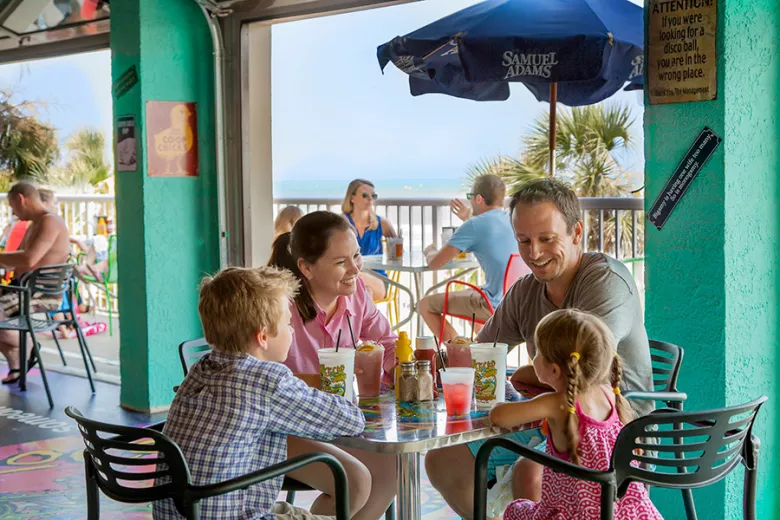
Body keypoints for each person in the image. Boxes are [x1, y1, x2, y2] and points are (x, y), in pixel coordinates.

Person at [425, 178, 654, 518]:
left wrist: (523, 372)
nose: (534, 253)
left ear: (576, 233)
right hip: (549, 421)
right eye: (524, 240)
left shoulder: (605, 281)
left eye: (547, 239)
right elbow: (483, 349)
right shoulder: (525, 291)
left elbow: (587, 371)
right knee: (442, 458)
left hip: (613, 431)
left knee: (531, 470)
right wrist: (448, 365)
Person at [153, 266, 366, 520]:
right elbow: (351, 420)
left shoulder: (202, 367)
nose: (292, 330)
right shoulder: (268, 381)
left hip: (181, 513)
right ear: (263, 336)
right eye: (288, 324)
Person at [268, 210, 397, 520]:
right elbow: (260, 378)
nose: (355, 269)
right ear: (306, 268)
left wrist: (410, 367)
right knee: (354, 483)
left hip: (338, 422)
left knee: (391, 466)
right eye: (341, 262)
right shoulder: (278, 309)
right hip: (282, 429)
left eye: (356, 256)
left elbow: (388, 343)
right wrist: (325, 381)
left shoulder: (357, 295)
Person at [491, 309, 662, 520]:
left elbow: (499, 417)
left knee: (515, 510)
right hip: (626, 513)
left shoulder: (558, 403)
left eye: (536, 353)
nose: (533, 358)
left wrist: (495, 402)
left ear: (554, 371)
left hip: (571, 514)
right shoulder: (611, 393)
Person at [417, 174, 516, 341]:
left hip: (493, 304)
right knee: (471, 297)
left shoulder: (474, 225)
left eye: (470, 197)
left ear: (478, 198)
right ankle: (483, 351)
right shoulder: (512, 219)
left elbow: (435, 263)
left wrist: (429, 251)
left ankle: (458, 352)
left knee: (424, 304)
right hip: (516, 301)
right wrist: (469, 218)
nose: (469, 202)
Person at [0, 182, 70, 384]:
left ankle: (28, 345)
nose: (14, 213)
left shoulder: (50, 221)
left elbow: (30, 259)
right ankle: (17, 362)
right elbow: (15, 260)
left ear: (21, 199)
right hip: (22, 291)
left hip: (40, 296)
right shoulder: (35, 224)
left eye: (13, 206)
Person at [341, 179, 397, 300]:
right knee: (365, 291)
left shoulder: (382, 223)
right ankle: (366, 319)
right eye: (365, 195)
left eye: (374, 195)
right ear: (352, 198)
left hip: (377, 278)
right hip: (351, 278)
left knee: (357, 283)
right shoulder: (342, 223)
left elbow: (397, 250)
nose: (370, 199)